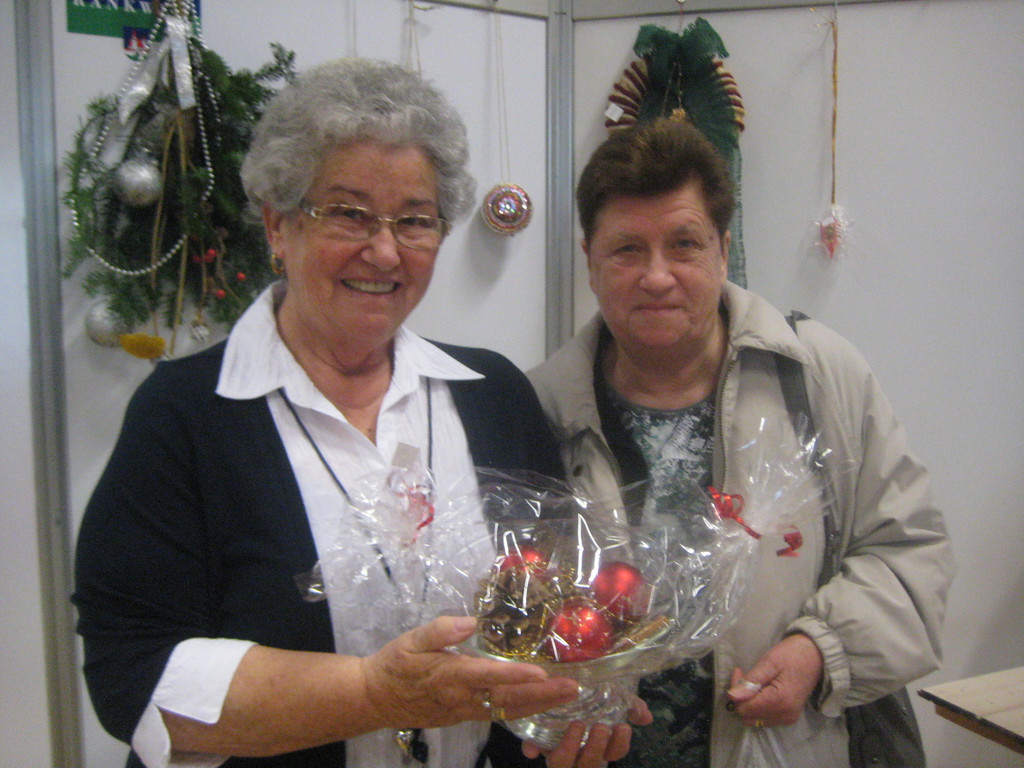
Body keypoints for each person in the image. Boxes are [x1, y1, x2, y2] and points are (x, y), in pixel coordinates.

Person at [73, 58, 640, 768]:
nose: (384, 251)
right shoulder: (186, 414)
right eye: (348, 213)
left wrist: (580, 692)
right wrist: (374, 694)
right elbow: (132, 675)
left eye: (415, 221)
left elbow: (548, 597)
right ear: (277, 225)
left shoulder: (492, 392)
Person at [527, 117, 955, 768]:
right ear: (589, 261)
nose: (657, 276)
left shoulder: (816, 378)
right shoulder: (539, 408)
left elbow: (910, 553)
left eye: (684, 244)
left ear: (723, 250)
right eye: (627, 250)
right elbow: (511, 601)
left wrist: (821, 650)